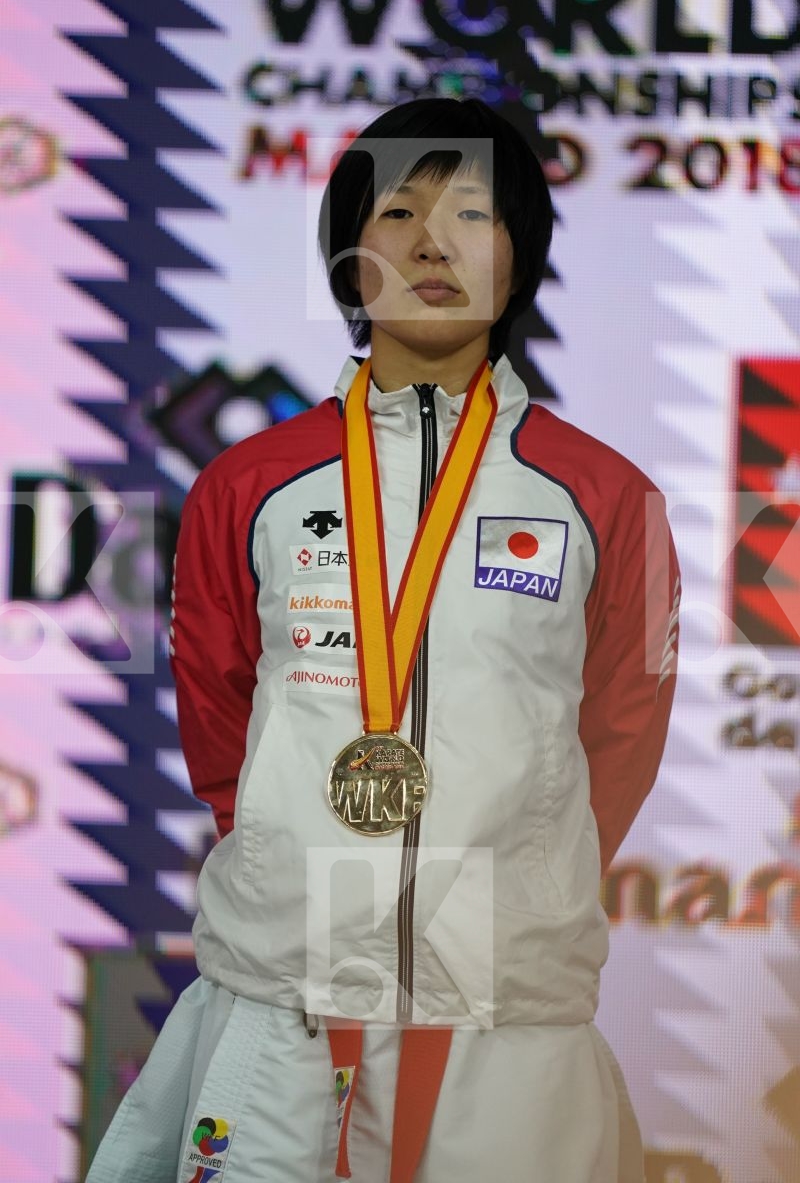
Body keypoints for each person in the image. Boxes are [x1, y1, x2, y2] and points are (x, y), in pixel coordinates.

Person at [86, 97, 680, 1183]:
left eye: (471, 214)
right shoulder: (249, 483)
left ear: (520, 253)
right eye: (398, 213)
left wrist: (518, 872)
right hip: (284, 997)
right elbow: (218, 714)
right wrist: (296, 859)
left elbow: (620, 731)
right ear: (348, 254)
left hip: (506, 1009)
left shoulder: (606, 495)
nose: (431, 244)